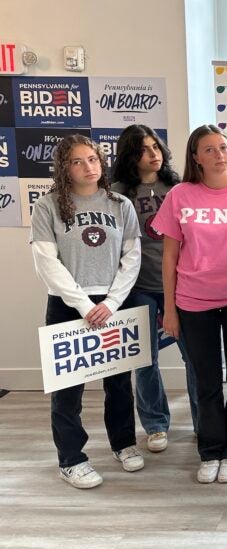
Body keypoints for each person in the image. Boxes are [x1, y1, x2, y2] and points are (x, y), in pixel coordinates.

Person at [152, 125, 227, 484]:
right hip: (193, 302)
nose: (220, 154)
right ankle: (210, 450)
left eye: (224, 147)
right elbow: (169, 257)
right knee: (204, 379)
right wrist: (170, 311)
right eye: (210, 149)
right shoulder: (179, 196)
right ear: (195, 157)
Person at [30, 134, 144, 489]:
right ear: (64, 167)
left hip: (113, 303)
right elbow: (46, 262)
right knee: (68, 388)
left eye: (93, 159)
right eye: (77, 161)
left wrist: (110, 303)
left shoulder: (120, 204)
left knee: (119, 383)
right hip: (67, 303)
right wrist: (83, 303)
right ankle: (71, 459)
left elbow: (132, 258)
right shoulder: (47, 205)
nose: (88, 167)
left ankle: (123, 443)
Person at [111, 124, 199, 451]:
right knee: (144, 359)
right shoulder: (118, 193)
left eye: (156, 147)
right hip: (139, 286)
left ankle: (204, 421)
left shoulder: (178, 187)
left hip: (182, 284)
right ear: (131, 155)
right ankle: (155, 424)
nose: (154, 154)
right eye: (145, 149)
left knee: (195, 355)